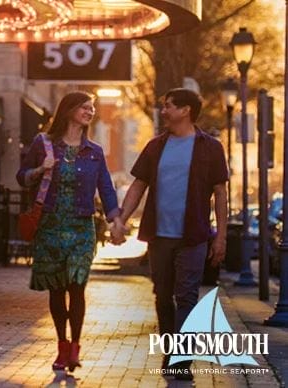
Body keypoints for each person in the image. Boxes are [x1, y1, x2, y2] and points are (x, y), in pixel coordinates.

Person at [112, 88, 228, 380]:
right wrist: (121, 219)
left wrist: (222, 236)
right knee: (163, 296)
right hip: (159, 236)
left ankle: (181, 359)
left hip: (193, 236)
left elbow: (220, 193)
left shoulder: (211, 147)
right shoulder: (155, 146)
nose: (163, 111)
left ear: (186, 110)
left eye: (168, 106)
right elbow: (138, 185)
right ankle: (170, 350)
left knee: (187, 296)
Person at [17, 92, 123, 372]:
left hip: (80, 228)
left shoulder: (94, 151)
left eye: (92, 108)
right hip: (50, 226)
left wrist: (115, 220)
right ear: (69, 110)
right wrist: (42, 168)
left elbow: (107, 188)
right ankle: (61, 346)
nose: (90, 112)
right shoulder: (44, 144)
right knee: (57, 290)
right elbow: (21, 177)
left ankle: (75, 347)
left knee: (77, 287)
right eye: (85, 107)